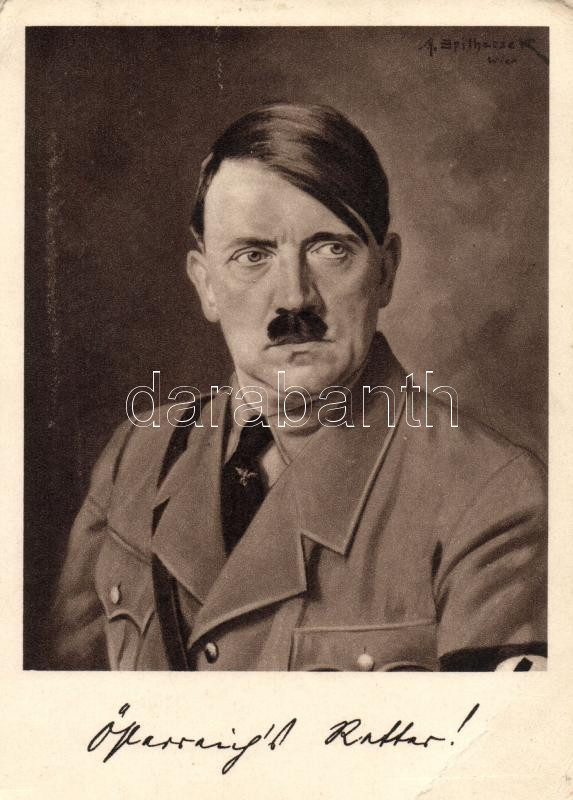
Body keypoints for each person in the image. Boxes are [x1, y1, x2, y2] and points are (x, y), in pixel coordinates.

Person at [50, 103, 547, 671]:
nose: (294, 297)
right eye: (252, 255)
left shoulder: (492, 497)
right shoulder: (137, 456)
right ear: (206, 285)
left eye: (331, 249)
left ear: (385, 271)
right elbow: (62, 704)